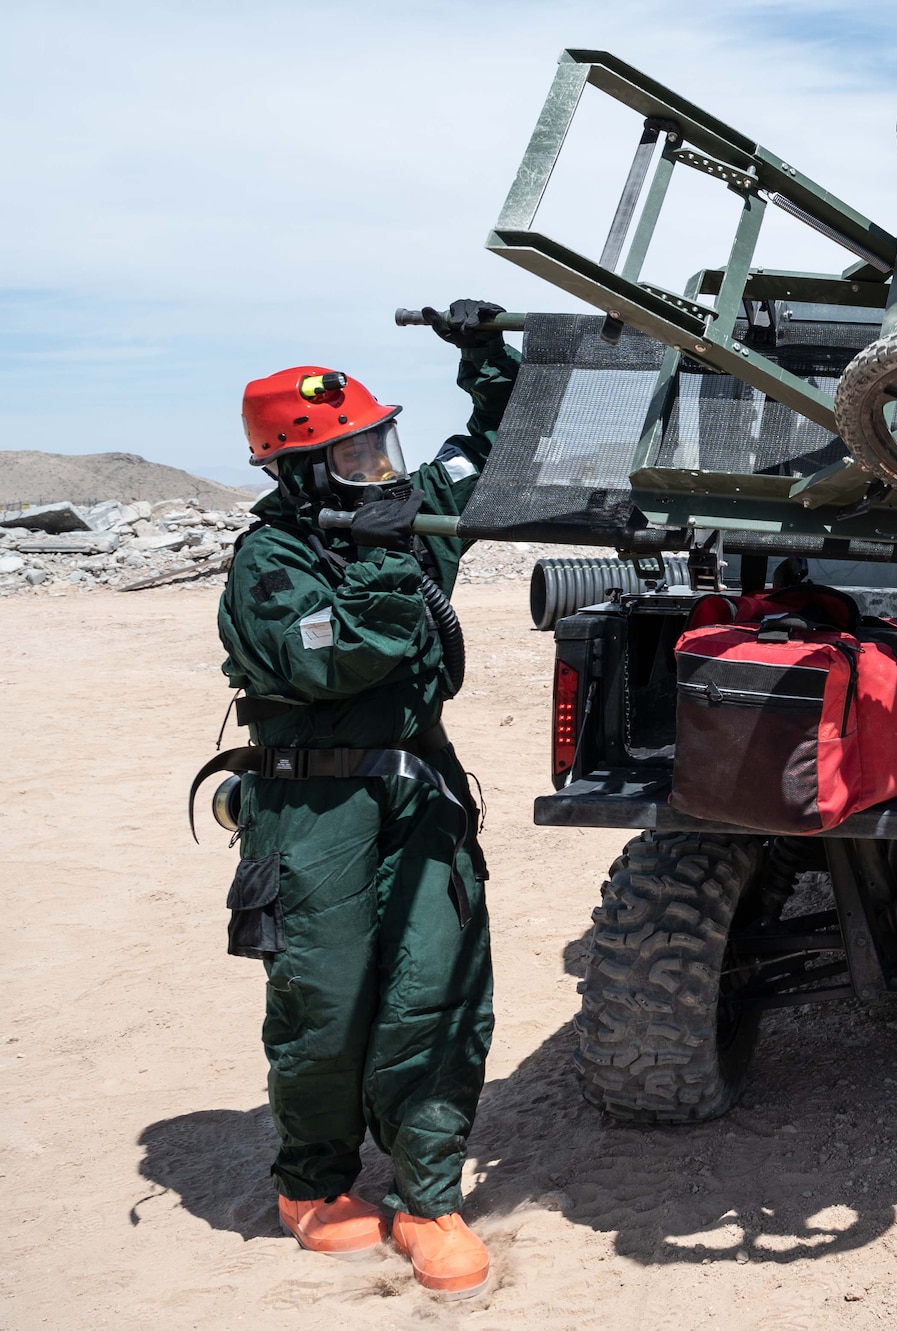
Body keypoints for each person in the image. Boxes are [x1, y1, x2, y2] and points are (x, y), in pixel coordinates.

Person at [203, 299, 517, 1293]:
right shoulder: (272, 561)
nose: (382, 471)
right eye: (355, 457)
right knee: (322, 1001)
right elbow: (339, 660)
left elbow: (496, 449)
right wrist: (389, 553)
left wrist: (487, 357)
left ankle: (429, 1196)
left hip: (416, 796)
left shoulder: (402, 517)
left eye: (383, 447)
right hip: (311, 814)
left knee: (437, 987)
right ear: (299, 473)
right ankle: (314, 1185)